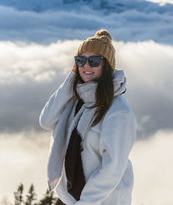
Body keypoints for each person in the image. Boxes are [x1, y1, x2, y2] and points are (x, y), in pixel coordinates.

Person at [39, 29, 137, 205]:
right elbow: (46, 121)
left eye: (93, 61)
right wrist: (71, 79)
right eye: (80, 61)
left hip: (105, 201)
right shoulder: (76, 101)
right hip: (75, 199)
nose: (86, 66)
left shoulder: (118, 110)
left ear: (106, 66)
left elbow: (113, 168)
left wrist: (85, 202)